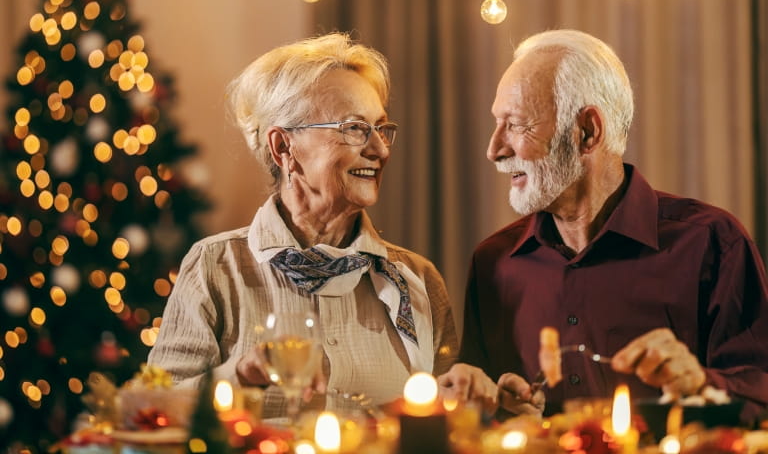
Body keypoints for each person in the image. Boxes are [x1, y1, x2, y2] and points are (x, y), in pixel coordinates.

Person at [438, 29, 768, 424]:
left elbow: (760, 392)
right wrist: (491, 408)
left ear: (588, 131)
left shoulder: (711, 242)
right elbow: (481, 421)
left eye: (517, 125)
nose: (494, 149)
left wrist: (701, 384)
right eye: (497, 124)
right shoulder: (494, 262)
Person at [147, 32, 458, 416]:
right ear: (283, 147)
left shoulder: (417, 279)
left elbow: (452, 421)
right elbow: (155, 411)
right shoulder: (215, 267)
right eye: (355, 128)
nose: (380, 149)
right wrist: (239, 376)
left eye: (381, 128)